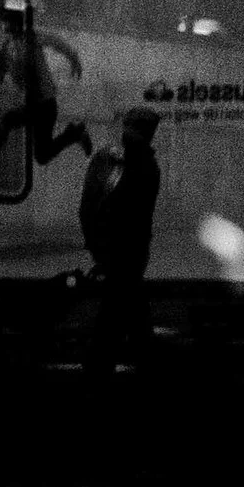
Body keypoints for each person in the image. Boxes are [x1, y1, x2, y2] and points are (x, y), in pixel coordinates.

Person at [0, 5, 89, 184]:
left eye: (7, 20)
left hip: (45, 104)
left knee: (7, 122)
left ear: (16, 23)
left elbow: (56, 42)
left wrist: (74, 58)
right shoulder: (7, 48)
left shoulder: (32, 37)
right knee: (42, 156)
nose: (4, 24)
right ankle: (74, 133)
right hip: (35, 104)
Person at [78, 107, 161, 372]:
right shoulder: (145, 166)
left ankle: (99, 368)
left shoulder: (129, 166)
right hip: (130, 253)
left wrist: (98, 247)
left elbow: (106, 207)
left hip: (121, 253)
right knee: (128, 310)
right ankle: (141, 362)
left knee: (115, 314)